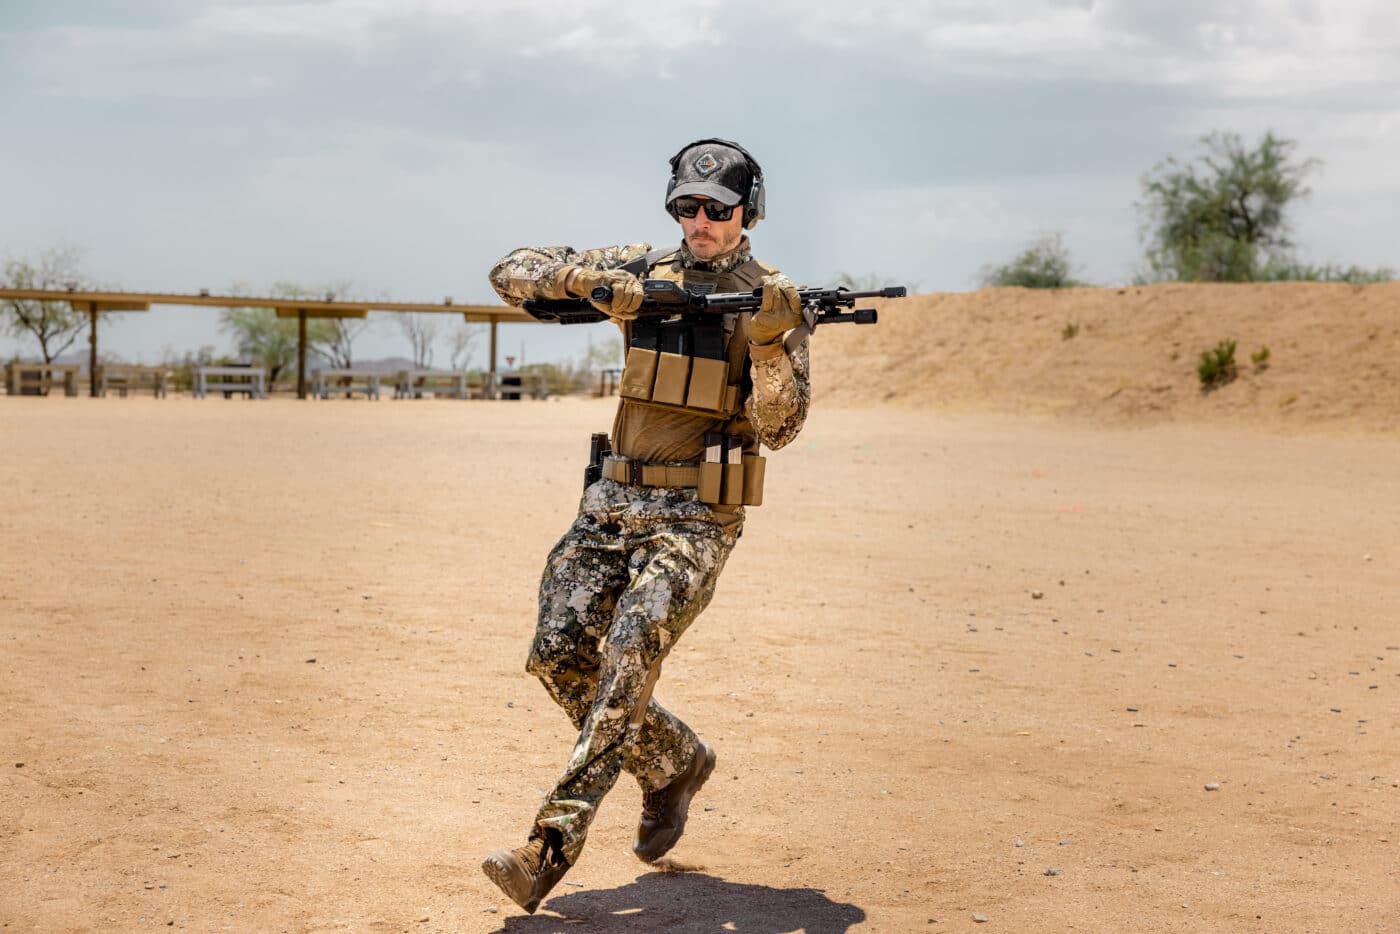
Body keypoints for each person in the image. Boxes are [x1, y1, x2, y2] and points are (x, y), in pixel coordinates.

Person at [480, 138, 811, 914]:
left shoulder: (776, 296)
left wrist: (768, 343)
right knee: (557, 656)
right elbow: (509, 272)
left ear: (747, 214)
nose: (700, 223)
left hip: (697, 515)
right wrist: (588, 283)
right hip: (611, 501)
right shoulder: (640, 268)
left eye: (717, 211)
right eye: (686, 208)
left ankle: (549, 844)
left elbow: (784, 425)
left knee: (630, 649)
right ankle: (673, 761)